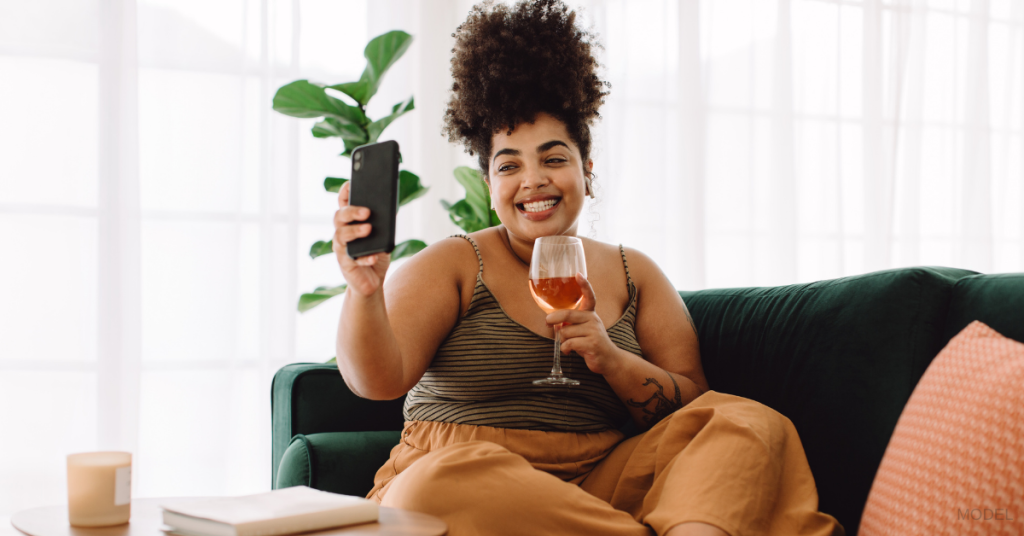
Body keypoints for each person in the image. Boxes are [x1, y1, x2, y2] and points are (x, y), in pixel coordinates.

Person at [331, 1, 844, 535]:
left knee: (749, 422)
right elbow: (376, 382)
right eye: (510, 165)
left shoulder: (634, 272)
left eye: (554, 158)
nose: (533, 180)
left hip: (599, 482)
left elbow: (691, 406)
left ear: (587, 171)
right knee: (430, 490)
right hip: (471, 481)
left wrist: (612, 359)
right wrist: (365, 293)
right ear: (490, 185)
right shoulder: (458, 263)